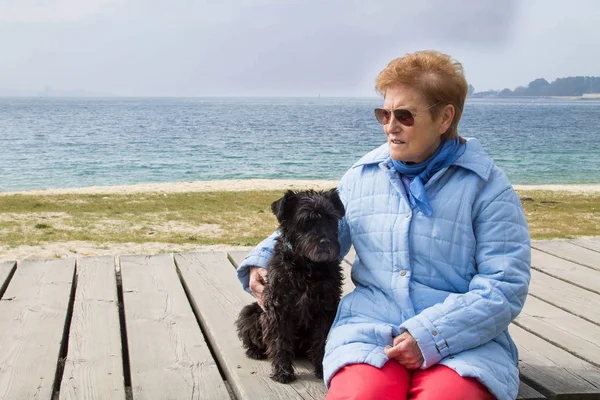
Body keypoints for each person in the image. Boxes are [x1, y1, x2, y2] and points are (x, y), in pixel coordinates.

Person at [236, 50, 531, 400]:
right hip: (370, 328)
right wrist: (261, 259)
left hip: (462, 338)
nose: (390, 125)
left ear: (444, 118)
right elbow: (320, 229)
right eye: (384, 113)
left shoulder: (488, 188)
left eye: (404, 115)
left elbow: (504, 287)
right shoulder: (363, 176)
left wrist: (431, 336)